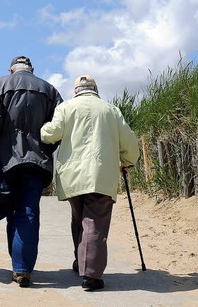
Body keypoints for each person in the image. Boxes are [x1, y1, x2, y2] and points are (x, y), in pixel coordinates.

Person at [40, 75, 139, 291]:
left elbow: (50, 134)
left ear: (76, 90)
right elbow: (129, 141)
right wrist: (129, 161)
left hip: (72, 177)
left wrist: (41, 130)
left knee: (80, 219)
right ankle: (91, 276)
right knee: (94, 222)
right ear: (96, 89)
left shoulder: (66, 108)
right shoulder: (110, 110)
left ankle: (81, 262)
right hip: (101, 175)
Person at [0, 56, 63, 287]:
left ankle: (18, 266)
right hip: (38, 161)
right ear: (32, 70)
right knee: (29, 212)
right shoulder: (49, 89)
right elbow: (59, 125)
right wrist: (47, 148)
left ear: (11, 69)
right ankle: (23, 268)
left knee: (12, 209)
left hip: (7, 160)